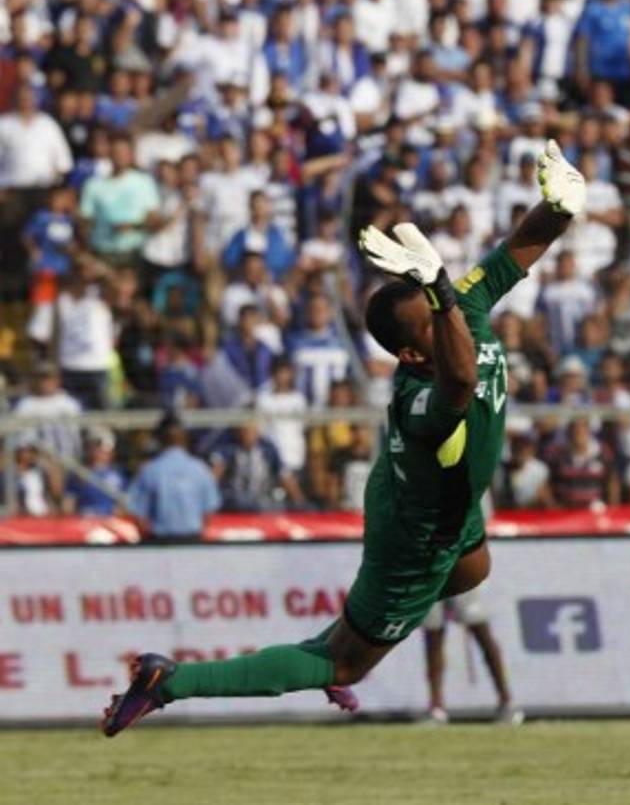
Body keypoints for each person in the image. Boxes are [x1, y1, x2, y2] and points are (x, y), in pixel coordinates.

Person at [102, 141, 586, 735]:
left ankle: (344, 637)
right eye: (441, 313)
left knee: (473, 571)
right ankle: (170, 679)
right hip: (411, 535)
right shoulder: (421, 402)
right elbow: (460, 378)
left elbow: (518, 249)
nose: (454, 314)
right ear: (411, 353)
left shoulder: (462, 309)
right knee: (342, 662)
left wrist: (561, 206)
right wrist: (436, 287)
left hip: (441, 506)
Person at [419, 587, 523, 726]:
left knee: (481, 630)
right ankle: (436, 708)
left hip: (457, 571)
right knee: (433, 635)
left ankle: (507, 702)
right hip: (428, 576)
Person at [125, 414, 222, 542]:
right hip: (192, 540)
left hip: (160, 541)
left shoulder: (150, 470)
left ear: (160, 439)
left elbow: (137, 513)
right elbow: (209, 512)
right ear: (185, 438)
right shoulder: (200, 470)